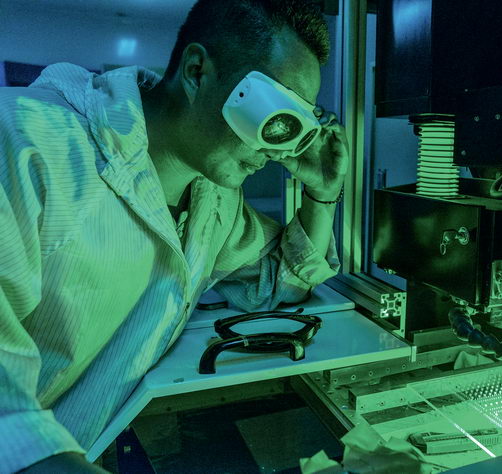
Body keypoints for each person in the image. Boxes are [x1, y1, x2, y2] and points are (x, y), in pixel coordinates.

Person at [0, 0, 346, 472]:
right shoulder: (25, 146)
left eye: (299, 126)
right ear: (197, 71)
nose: (275, 147)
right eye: (277, 116)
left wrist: (321, 194)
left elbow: (276, 283)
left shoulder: (213, 199)